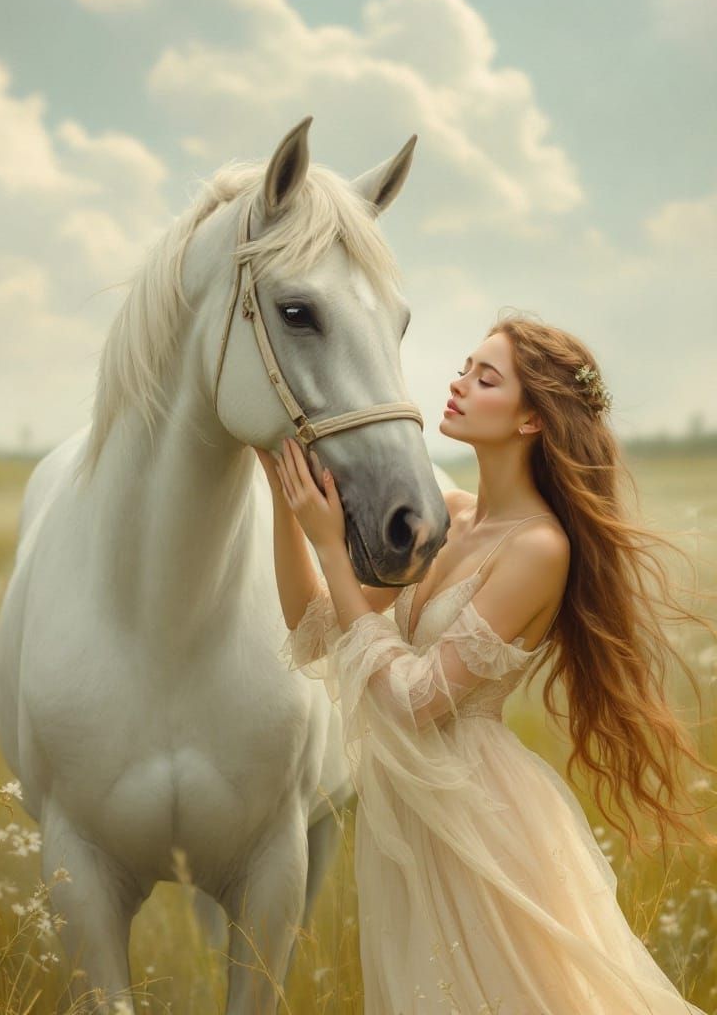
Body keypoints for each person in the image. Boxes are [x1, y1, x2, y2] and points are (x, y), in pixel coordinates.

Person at [254, 314, 715, 1014]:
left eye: (485, 376)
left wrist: (330, 547)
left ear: (532, 419)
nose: (458, 382)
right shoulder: (448, 515)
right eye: (466, 366)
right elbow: (317, 626)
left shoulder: (538, 549)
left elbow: (415, 700)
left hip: (477, 816)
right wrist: (287, 504)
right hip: (411, 811)